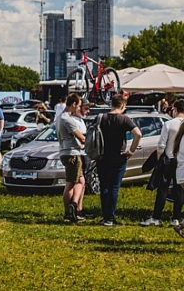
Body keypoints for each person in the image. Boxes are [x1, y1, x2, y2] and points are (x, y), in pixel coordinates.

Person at [97, 94, 142, 226]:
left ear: (111, 104)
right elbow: (138, 134)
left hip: (102, 156)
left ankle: (105, 216)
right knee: (114, 187)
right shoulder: (124, 119)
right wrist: (131, 151)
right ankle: (110, 218)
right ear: (123, 105)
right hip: (118, 156)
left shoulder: (102, 117)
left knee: (104, 186)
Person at [141, 99, 184, 227]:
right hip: (181, 160)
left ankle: (156, 217)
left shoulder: (169, 124)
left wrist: (160, 159)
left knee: (163, 189)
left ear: (175, 109)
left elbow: (161, 145)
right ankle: (176, 218)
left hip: (169, 159)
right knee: (179, 190)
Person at [57, 94, 87, 223]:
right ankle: (69, 212)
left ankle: (74, 207)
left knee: (81, 181)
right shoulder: (67, 119)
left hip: (66, 151)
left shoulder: (60, 117)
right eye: (78, 106)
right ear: (73, 104)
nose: (79, 108)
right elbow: (81, 137)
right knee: (70, 183)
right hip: (72, 154)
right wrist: (89, 141)